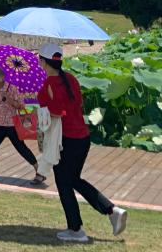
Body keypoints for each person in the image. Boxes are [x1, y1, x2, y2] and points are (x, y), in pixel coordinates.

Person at [37, 43, 127, 243]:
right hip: (82, 138)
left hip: (66, 140)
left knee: (64, 183)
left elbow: (56, 112)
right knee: (73, 179)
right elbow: (76, 104)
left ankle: (76, 229)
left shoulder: (49, 84)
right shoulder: (70, 79)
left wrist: (42, 109)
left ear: (43, 62)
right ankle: (112, 211)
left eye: (39, 59)